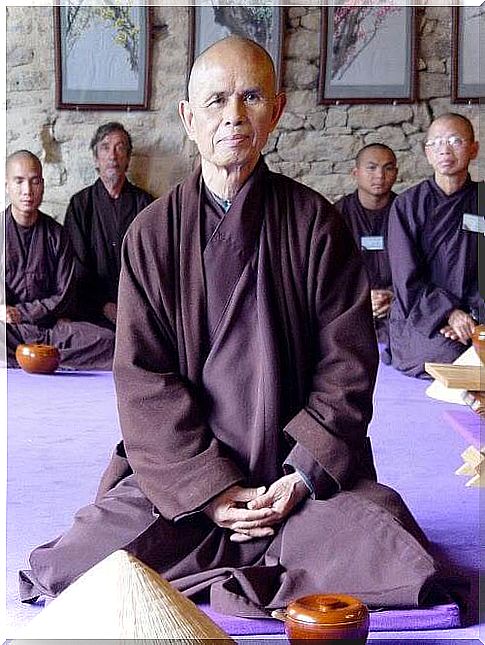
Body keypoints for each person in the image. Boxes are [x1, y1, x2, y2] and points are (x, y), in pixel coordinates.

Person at [20, 38, 444, 615]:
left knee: (399, 562)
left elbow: (347, 365)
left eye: (251, 97)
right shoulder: (151, 234)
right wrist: (212, 490)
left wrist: (299, 476)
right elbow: (143, 379)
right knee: (76, 566)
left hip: (295, 472)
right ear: (187, 117)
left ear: (277, 109)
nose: (233, 117)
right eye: (216, 100)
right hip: (185, 476)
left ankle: (274, 530)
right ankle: (232, 530)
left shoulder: (315, 222)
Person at [385, 113, 484, 378]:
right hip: (423, 316)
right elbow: (407, 279)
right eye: (437, 142)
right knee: (447, 354)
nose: (445, 149)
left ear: (473, 149)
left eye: (455, 140)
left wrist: (473, 319)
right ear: (427, 153)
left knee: (475, 344)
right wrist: (450, 314)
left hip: (478, 313)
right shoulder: (407, 206)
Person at [3, 150, 114, 370]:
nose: (27, 191)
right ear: (7, 186)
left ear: (42, 185)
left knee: (109, 340)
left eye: (34, 182)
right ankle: (46, 360)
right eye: (19, 182)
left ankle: (28, 359)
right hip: (13, 332)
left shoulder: (57, 234)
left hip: (52, 331)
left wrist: (23, 313)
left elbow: (64, 296)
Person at [64, 122, 153, 328]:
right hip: (91, 310)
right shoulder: (80, 204)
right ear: (96, 158)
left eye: (120, 147)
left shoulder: (146, 204)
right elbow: (75, 265)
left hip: (136, 308)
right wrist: (103, 305)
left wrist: (131, 305)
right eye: (105, 147)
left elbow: (152, 263)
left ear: (128, 159)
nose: (113, 155)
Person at [334, 144, 398, 344]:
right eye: (371, 168)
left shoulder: (406, 212)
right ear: (356, 173)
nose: (379, 175)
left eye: (387, 168)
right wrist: (361, 299)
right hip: (351, 304)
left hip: (397, 304)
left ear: (396, 173)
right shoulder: (336, 215)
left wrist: (394, 295)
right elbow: (329, 272)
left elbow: (419, 267)